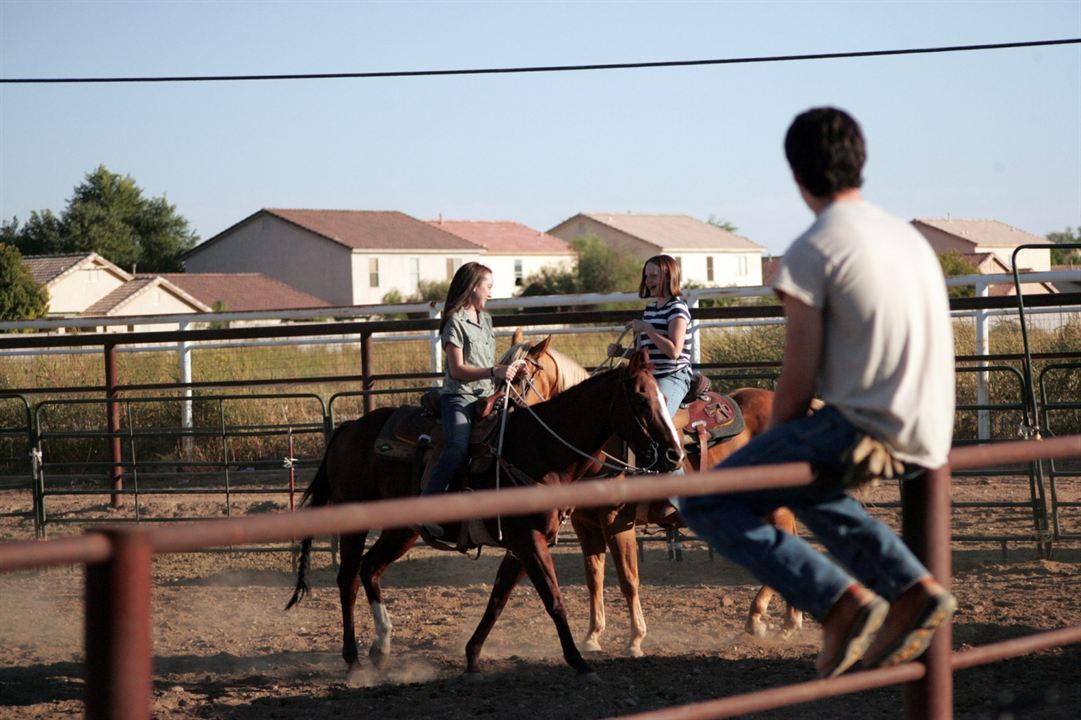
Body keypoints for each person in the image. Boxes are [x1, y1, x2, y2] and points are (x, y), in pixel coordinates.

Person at [679, 107, 957, 678]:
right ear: (861, 163)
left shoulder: (814, 247)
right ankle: (910, 589)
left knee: (705, 500)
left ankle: (838, 601)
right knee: (809, 484)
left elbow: (797, 378)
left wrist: (775, 446)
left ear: (796, 174)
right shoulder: (907, 239)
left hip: (866, 425)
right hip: (932, 427)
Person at [421, 262, 522, 538]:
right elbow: (457, 369)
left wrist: (511, 368)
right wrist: (493, 371)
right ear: (473, 287)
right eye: (488, 286)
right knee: (456, 446)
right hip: (459, 398)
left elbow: (487, 361)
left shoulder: (485, 319)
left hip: (488, 394)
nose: (491, 292)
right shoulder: (454, 322)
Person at [608, 254, 693, 473]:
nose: (649, 281)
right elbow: (647, 354)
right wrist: (622, 353)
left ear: (668, 276)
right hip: (651, 377)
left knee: (659, 425)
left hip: (674, 376)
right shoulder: (651, 309)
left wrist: (647, 329)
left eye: (654, 275)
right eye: (647, 276)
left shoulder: (677, 308)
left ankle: (680, 496)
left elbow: (673, 351)